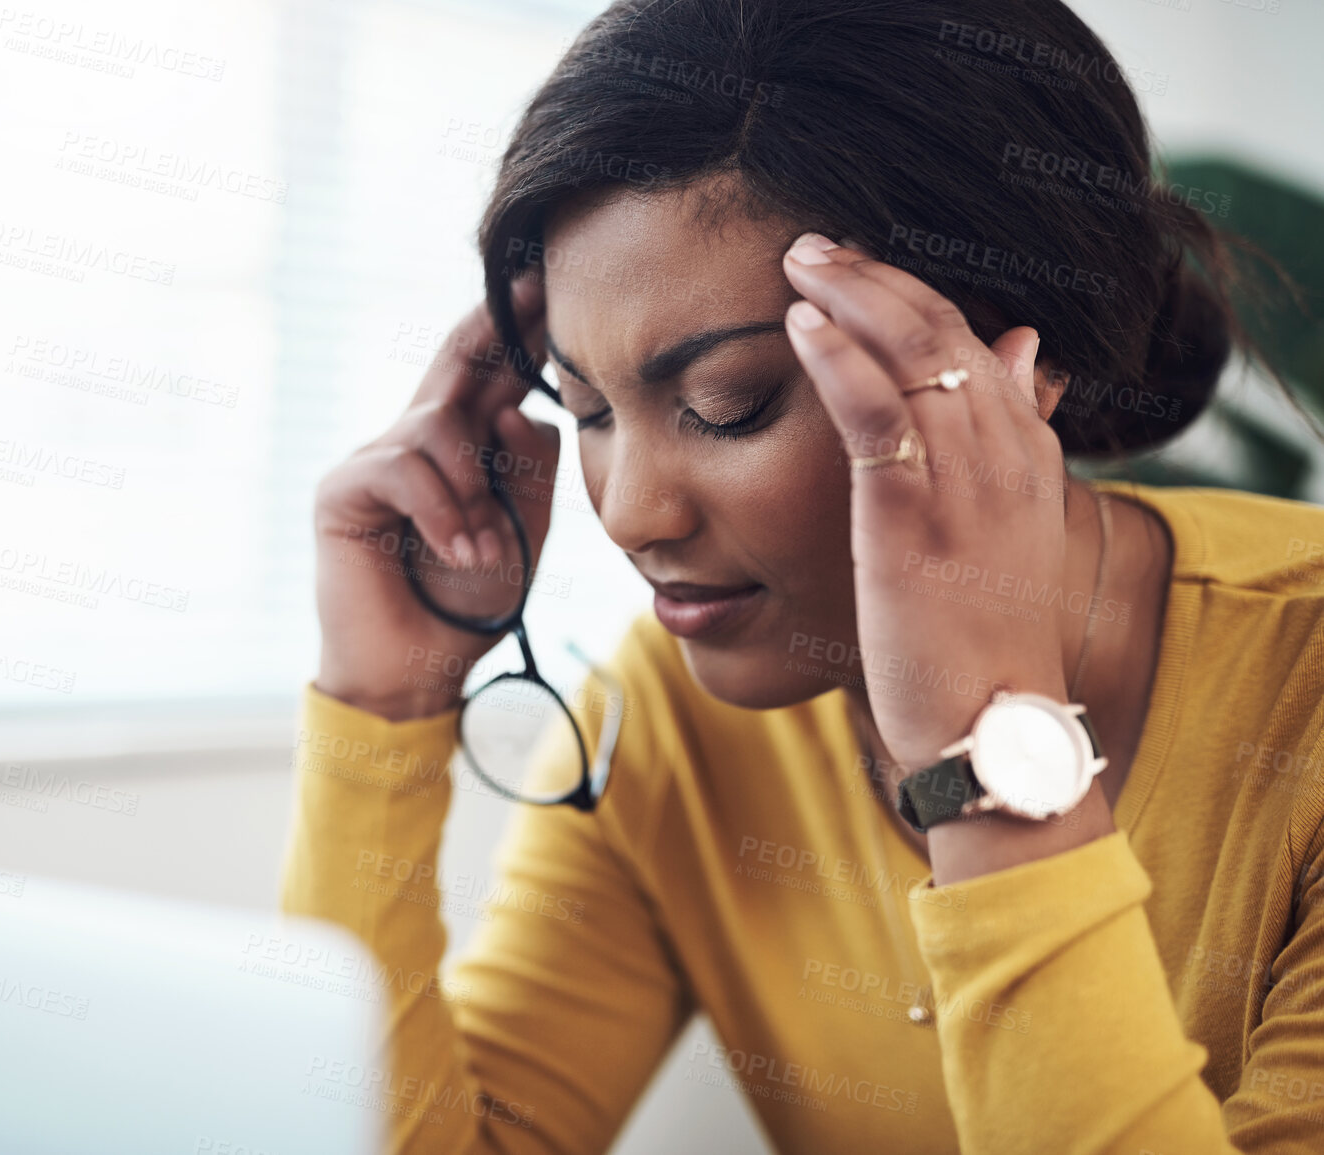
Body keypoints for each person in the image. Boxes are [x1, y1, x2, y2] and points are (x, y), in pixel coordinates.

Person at [282, 1, 1324, 1150]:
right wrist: (380, 708)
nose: (629, 514)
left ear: (999, 367)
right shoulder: (673, 713)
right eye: (583, 410)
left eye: (730, 405)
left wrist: (986, 746)